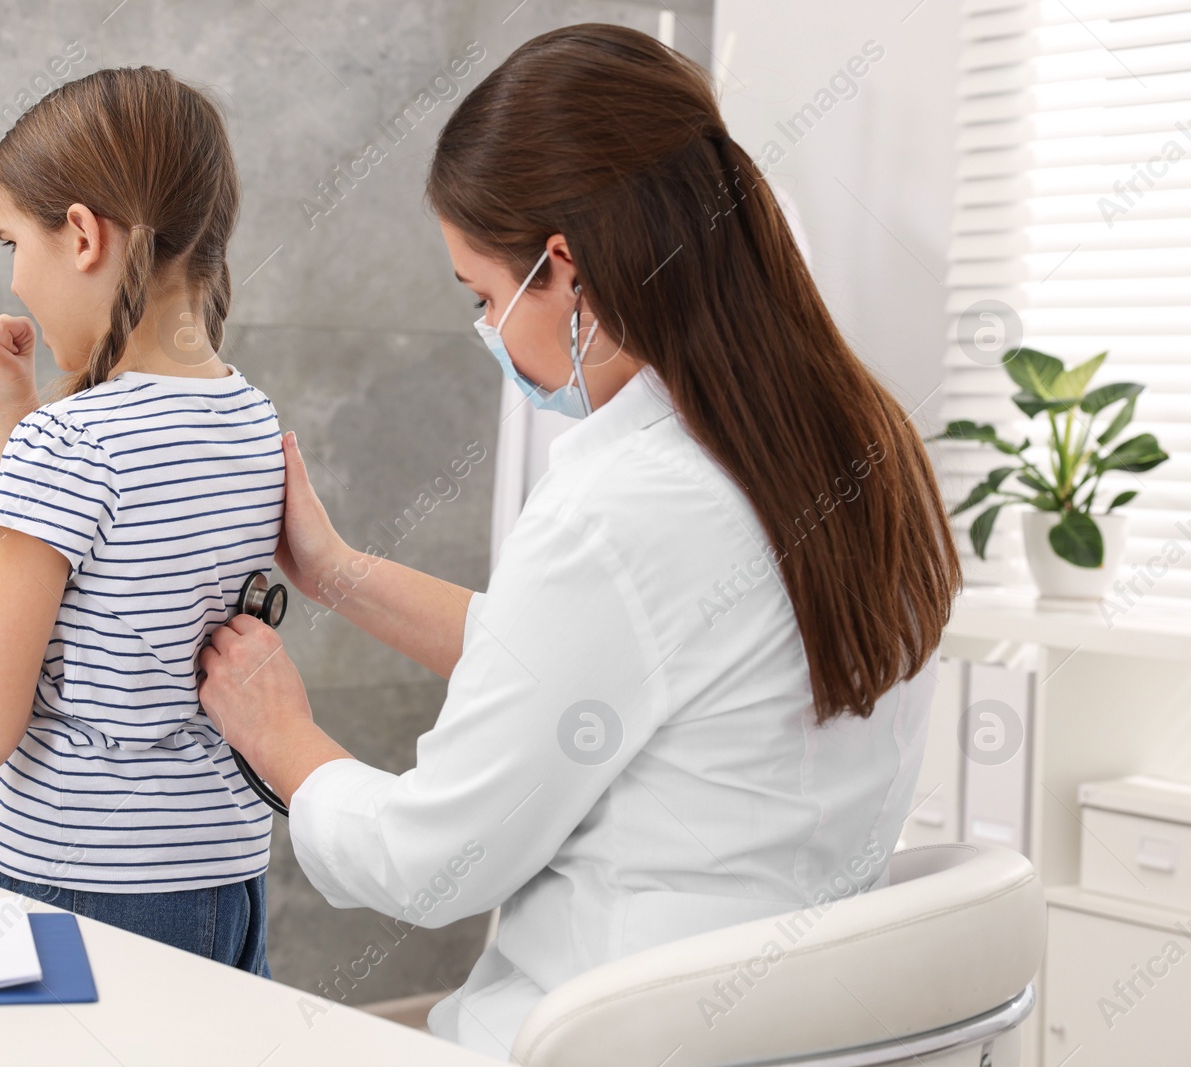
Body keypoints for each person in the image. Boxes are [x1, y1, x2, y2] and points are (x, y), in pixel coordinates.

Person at [197, 23, 962, 1058]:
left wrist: (279, 734)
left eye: (481, 295)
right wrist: (336, 573)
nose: (487, 332)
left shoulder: (620, 508)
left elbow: (433, 862)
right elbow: (596, 666)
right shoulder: (859, 449)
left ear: (565, 270)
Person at [0, 66, 281, 976]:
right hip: (223, 876)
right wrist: (17, 421)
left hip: (79, 882)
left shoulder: (71, 442)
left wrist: (36, 435)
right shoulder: (255, 419)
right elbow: (123, 571)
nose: (13, 274)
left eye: (14, 239)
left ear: (82, 234)